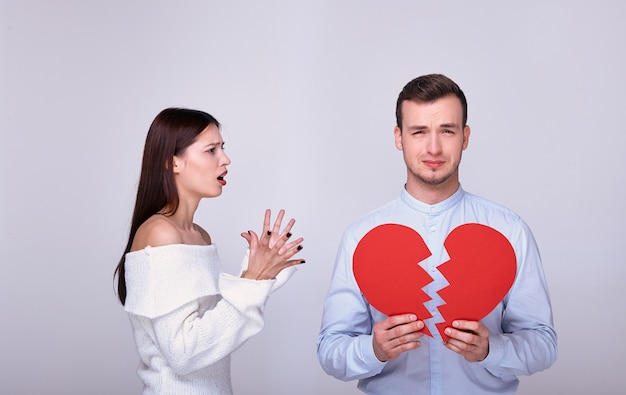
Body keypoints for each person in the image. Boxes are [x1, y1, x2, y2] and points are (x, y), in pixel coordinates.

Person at [317, 74, 557, 394]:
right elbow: (330, 350)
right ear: (399, 137)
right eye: (419, 132)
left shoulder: (509, 231)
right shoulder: (361, 237)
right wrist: (373, 350)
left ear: (465, 137)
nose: (433, 147)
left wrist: (491, 350)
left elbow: (543, 344)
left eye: (447, 130)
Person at [114, 108, 305, 394]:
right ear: (174, 162)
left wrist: (260, 274)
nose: (225, 159)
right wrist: (252, 281)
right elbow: (183, 354)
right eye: (211, 150)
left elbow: (211, 334)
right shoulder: (160, 233)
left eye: (222, 148)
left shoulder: (200, 236)